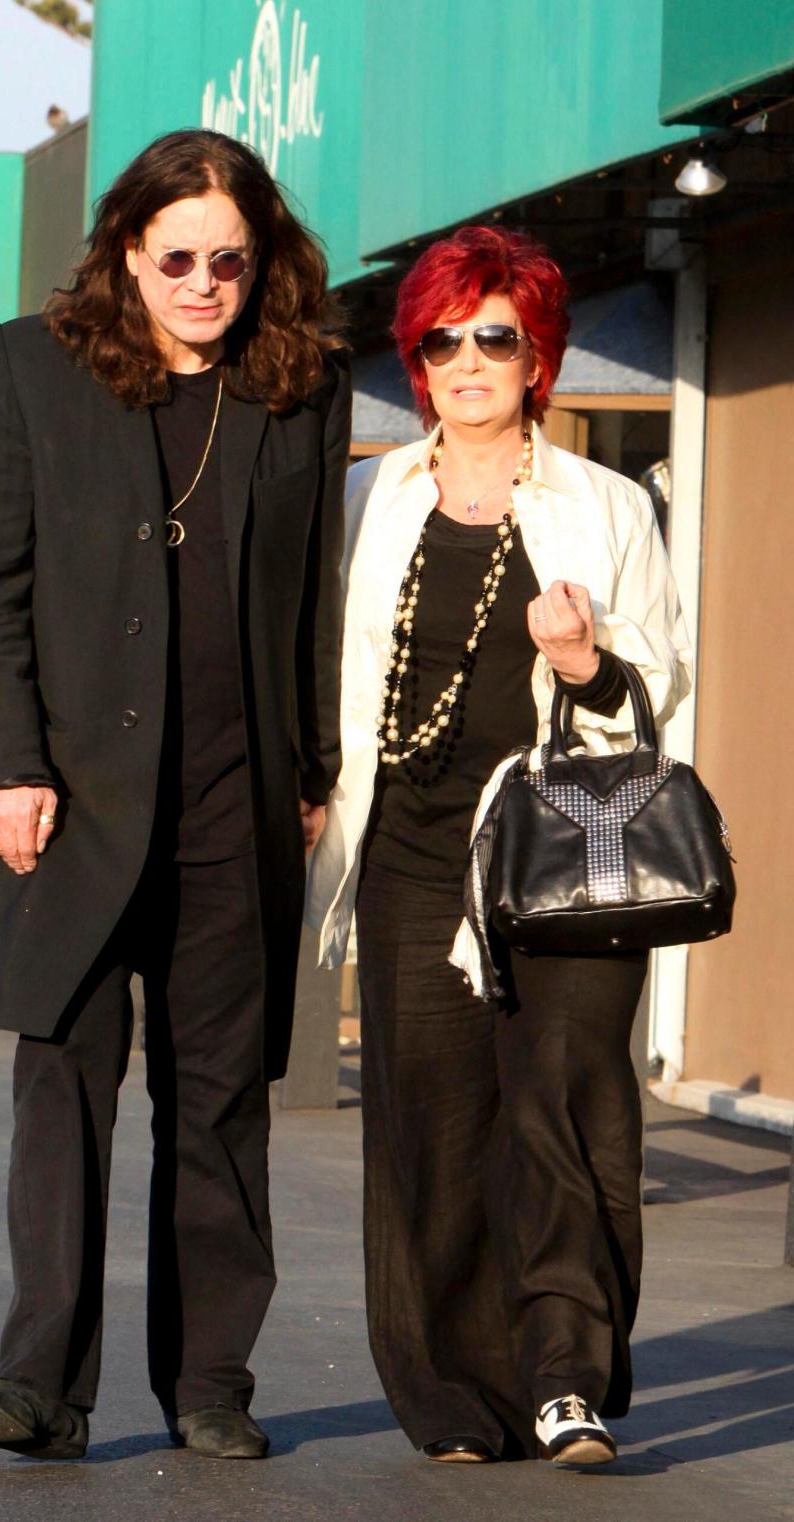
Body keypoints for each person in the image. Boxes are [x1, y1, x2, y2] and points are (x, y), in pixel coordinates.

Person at [0, 128, 351, 1462]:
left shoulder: (302, 382)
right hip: (72, 801)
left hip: (238, 804)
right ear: (124, 250)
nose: (201, 282)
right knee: (60, 1088)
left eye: (228, 259)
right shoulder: (27, 367)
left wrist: (312, 767)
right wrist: (3, 765)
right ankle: (41, 1386)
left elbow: (314, 600)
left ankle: (211, 1383)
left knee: (222, 1100)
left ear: (259, 261)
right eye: (174, 256)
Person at [307, 226, 691, 1466]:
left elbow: (661, 680)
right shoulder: (372, 496)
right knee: (432, 1120)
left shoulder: (608, 501)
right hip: (413, 849)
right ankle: (458, 1391)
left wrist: (586, 659)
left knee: (567, 1107)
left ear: (538, 355)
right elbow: (329, 664)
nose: (466, 359)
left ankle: (566, 1375)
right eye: (440, 338)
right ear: (417, 360)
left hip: (569, 847)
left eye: (493, 336)